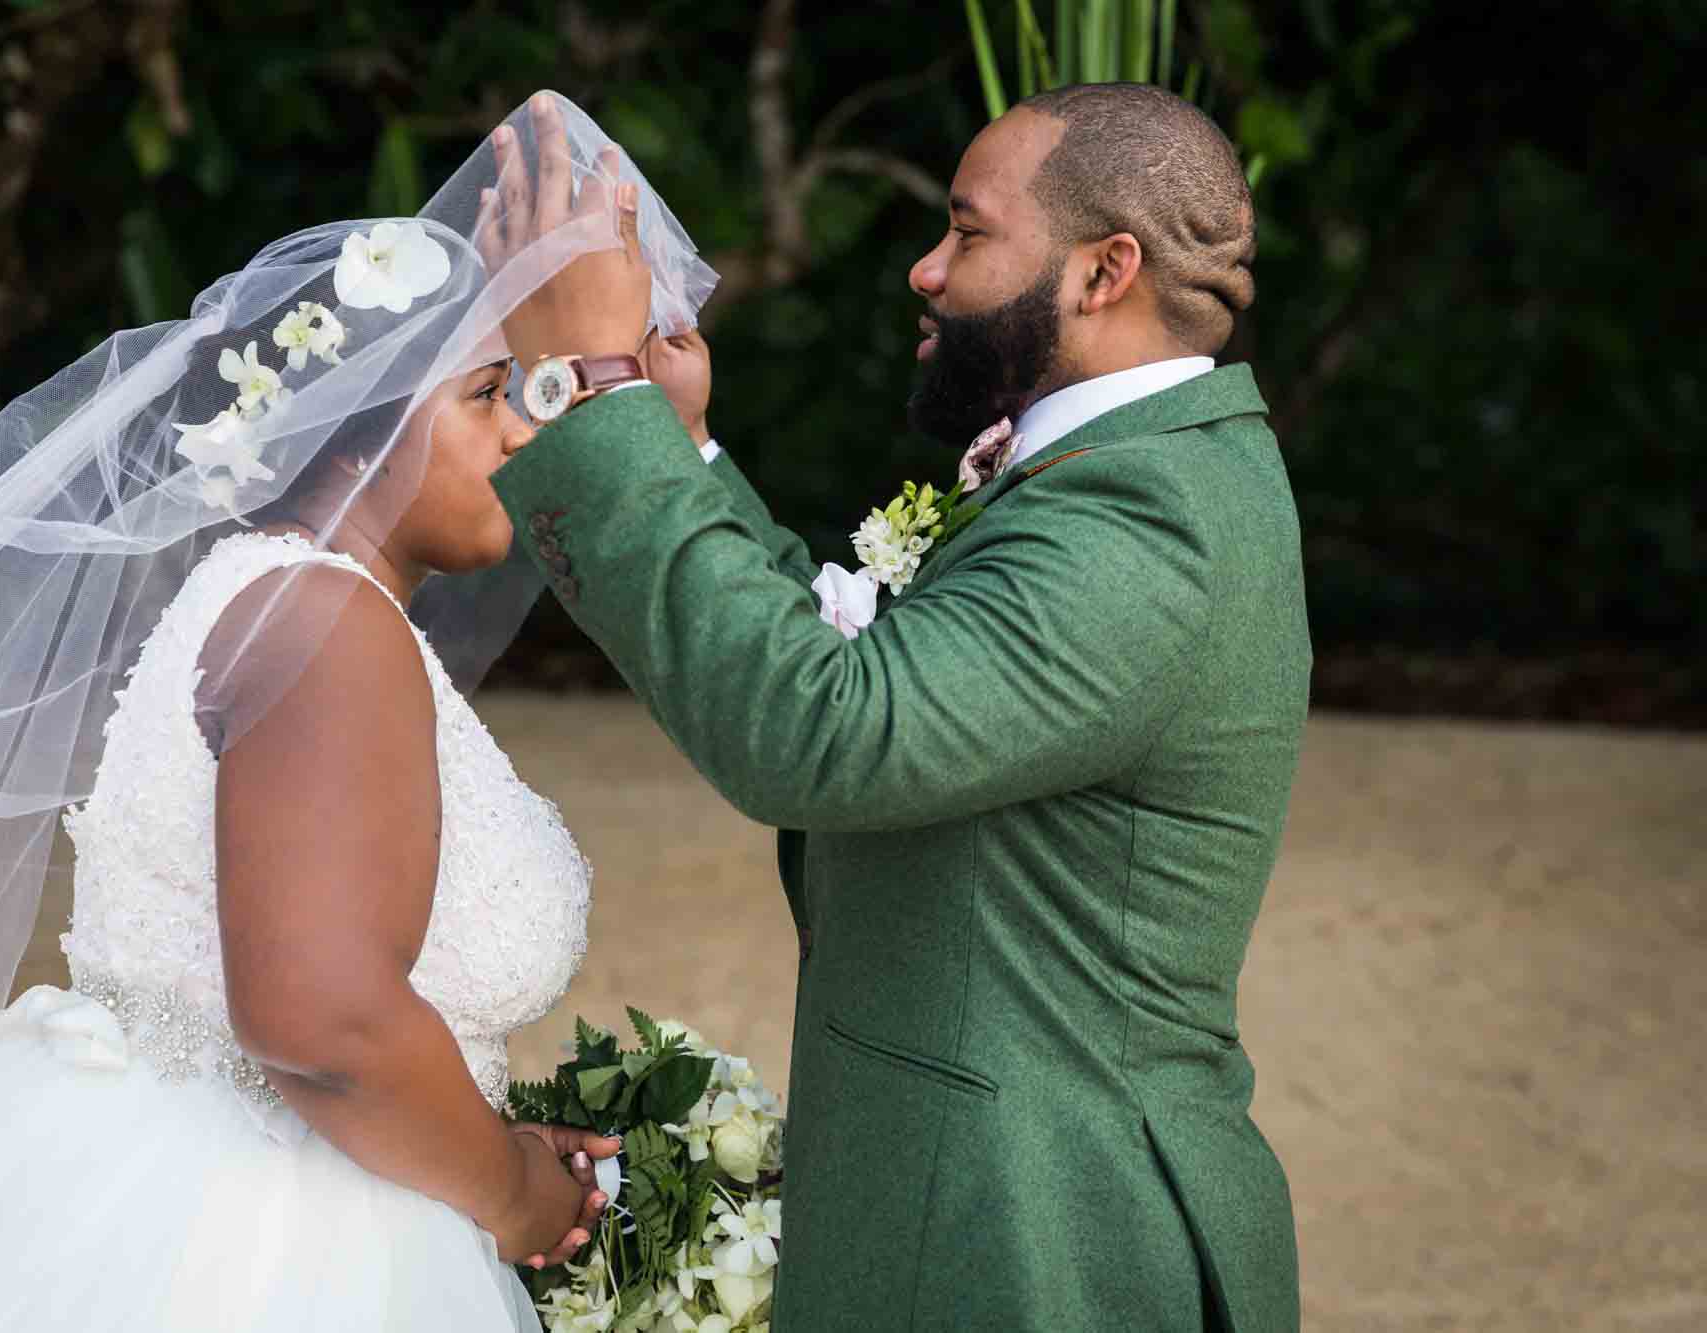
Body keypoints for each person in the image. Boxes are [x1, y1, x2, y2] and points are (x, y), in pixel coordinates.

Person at [0, 93, 715, 1328]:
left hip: (127, 1167)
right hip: (257, 1236)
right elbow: (320, 1017)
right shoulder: (325, 620)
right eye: (486, 394)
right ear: (354, 433)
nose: (520, 431)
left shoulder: (273, 599)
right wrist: (510, 1191)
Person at [486, 84, 1309, 1330]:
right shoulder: (1125, 472)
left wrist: (596, 392)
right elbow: (878, 683)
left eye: (968, 233)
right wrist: (681, 451)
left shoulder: (1154, 523)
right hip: (980, 1203)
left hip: (1042, 1237)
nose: (924, 271)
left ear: (1103, 271)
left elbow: (823, 733)